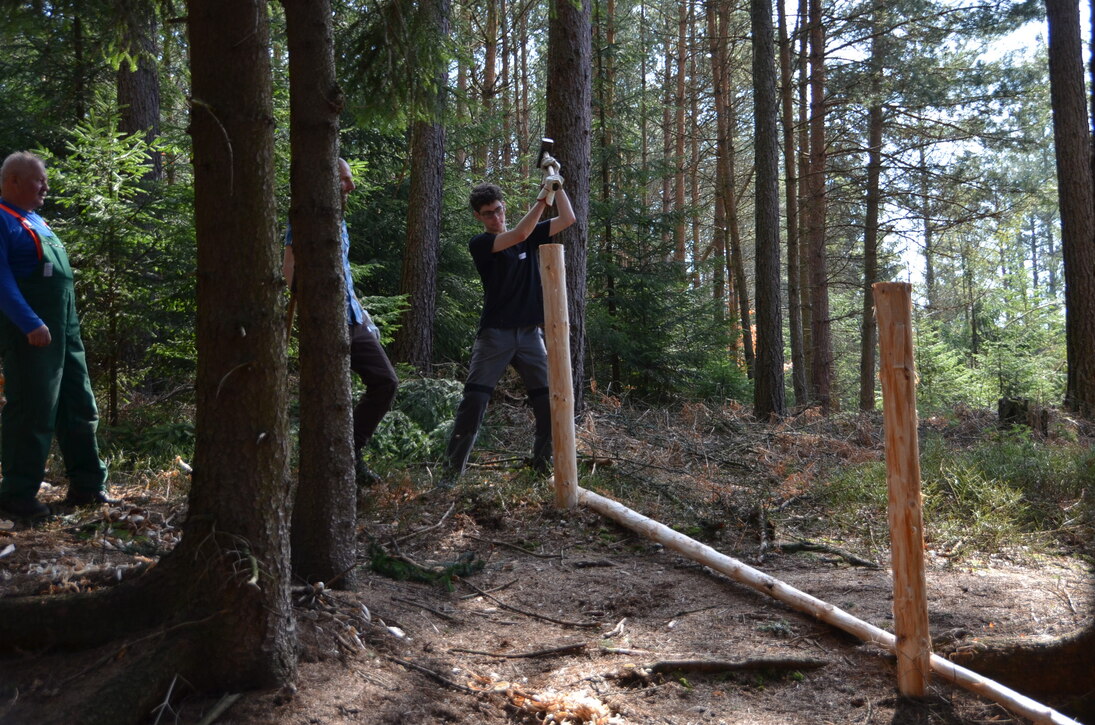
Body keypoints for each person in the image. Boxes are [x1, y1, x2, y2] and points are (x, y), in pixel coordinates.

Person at [0, 151, 116, 519]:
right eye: (39, 180)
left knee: (79, 403)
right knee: (33, 409)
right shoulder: (2, 220)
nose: (45, 187)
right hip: (31, 331)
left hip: (65, 328)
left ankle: (87, 485)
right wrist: (29, 321)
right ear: (14, 181)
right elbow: (0, 280)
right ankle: (17, 494)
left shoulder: (36, 220)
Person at [442, 171, 576, 487]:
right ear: (478, 216)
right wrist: (544, 196)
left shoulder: (530, 233)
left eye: (499, 209)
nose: (495, 217)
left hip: (531, 335)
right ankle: (450, 475)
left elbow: (568, 218)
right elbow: (517, 235)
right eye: (488, 213)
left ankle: (541, 468)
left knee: (547, 401)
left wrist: (557, 183)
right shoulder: (482, 243)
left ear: (504, 207)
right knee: (474, 400)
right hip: (495, 335)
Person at [283, 157, 398, 485]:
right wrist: (285, 308)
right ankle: (323, 465)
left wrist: (362, 310)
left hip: (353, 317)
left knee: (385, 381)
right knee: (327, 397)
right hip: (323, 320)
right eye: (345, 180)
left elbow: (343, 274)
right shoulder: (303, 218)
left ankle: (351, 452)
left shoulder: (341, 220)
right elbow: (289, 265)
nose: (352, 186)